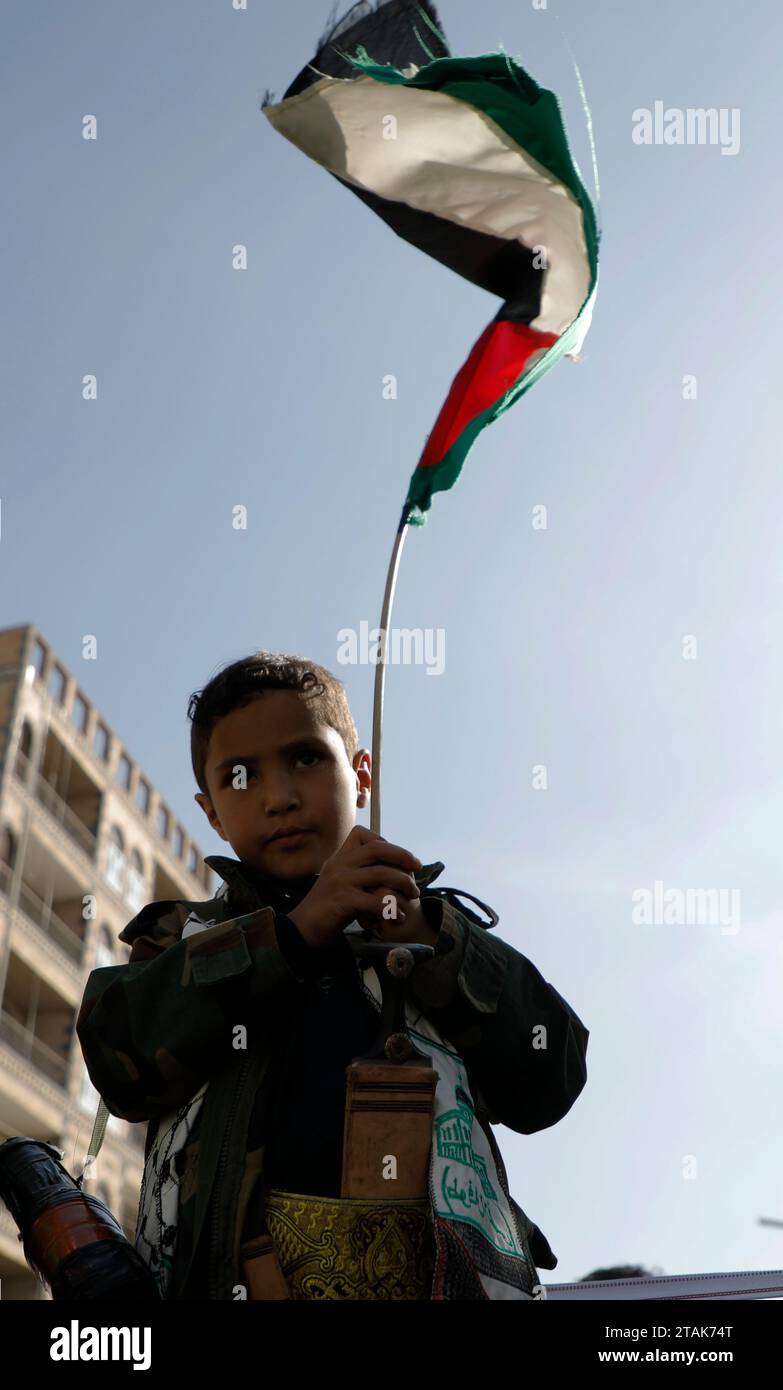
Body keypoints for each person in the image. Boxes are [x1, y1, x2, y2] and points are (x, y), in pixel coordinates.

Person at [76, 652, 590, 1300]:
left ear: (361, 775)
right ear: (211, 814)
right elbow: (116, 1057)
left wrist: (435, 939)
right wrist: (289, 937)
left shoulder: (428, 927)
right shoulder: (180, 939)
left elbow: (553, 1078)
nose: (279, 796)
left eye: (305, 758)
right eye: (240, 776)